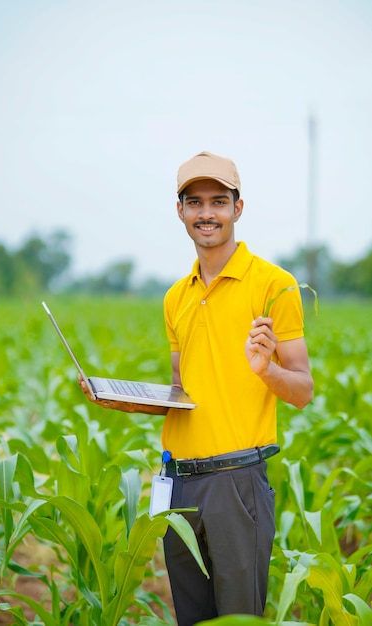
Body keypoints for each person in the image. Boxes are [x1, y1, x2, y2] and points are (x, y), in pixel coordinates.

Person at [80, 150, 313, 625]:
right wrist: (118, 399)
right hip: (179, 483)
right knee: (192, 617)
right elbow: (180, 394)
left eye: (219, 201)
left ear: (238, 208)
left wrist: (265, 370)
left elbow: (303, 389)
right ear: (181, 210)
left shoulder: (273, 285)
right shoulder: (176, 296)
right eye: (195, 202)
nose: (207, 213)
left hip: (236, 483)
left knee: (238, 617)